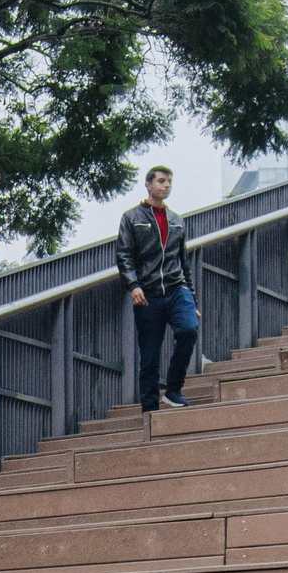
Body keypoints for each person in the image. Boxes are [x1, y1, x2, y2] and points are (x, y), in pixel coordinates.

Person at [115, 166, 197, 413]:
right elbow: (124, 254)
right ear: (148, 185)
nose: (166, 185)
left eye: (169, 181)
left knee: (189, 329)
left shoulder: (177, 221)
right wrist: (133, 285)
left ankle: (173, 390)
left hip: (176, 288)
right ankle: (150, 409)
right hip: (147, 294)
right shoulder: (132, 218)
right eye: (161, 181)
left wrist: (192, 299)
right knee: (150, 356)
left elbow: (184, 262)